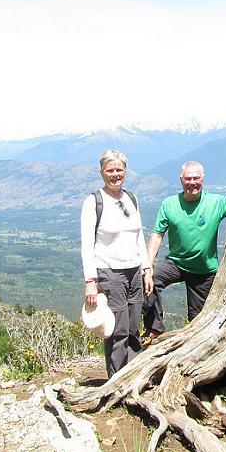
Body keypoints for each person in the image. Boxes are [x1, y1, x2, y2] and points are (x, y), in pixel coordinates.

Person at [141, 161, 226, 345]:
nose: (192, 182)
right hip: (176, 263)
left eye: (196, 178)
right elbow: (157, 235)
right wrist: (148, 267)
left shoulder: (216, 202)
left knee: (197, 320)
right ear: (181, 180)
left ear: (203, 179)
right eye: (188, 178)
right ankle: (154, 328)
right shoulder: (169, 204)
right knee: (150, 280)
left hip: (204, 270)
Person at [81, 149, 153, 377]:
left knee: (133, 326)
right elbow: (86, 244)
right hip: (110, 272)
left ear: (126, 171)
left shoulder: (131, 198)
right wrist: (90, 281)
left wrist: (147, 268)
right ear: (102, 172)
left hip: (134, 270)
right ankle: (116, 379)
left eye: (119, 170)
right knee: (117, 328)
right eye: (110, 170)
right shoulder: (94, 202)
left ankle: (132, 375)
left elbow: (138, 236)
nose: (115, 174)